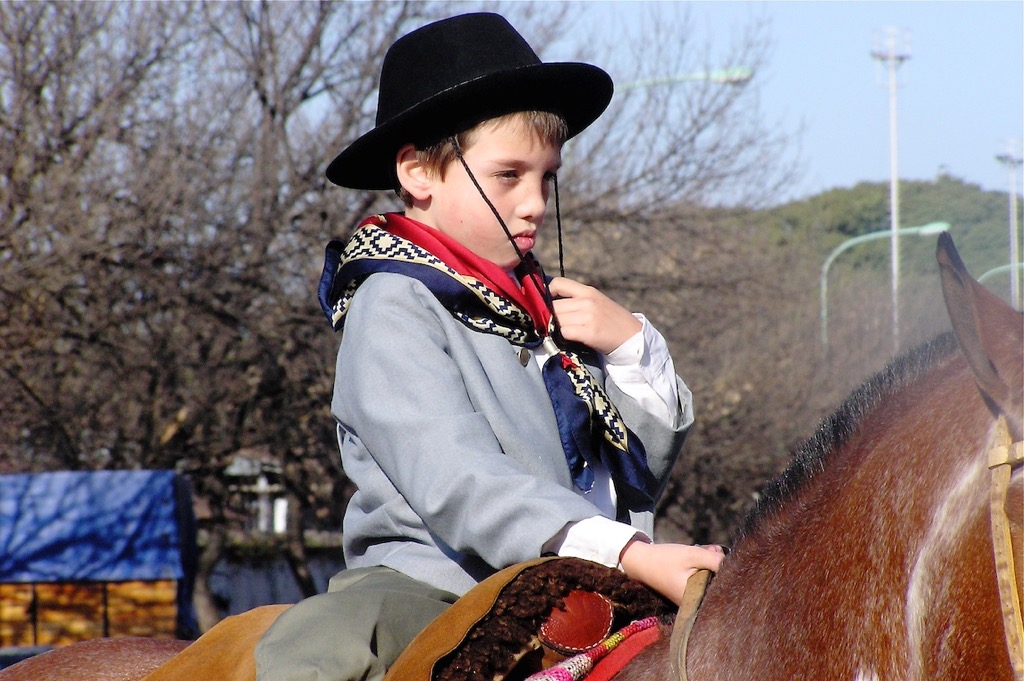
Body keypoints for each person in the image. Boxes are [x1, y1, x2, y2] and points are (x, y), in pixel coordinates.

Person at [254, 12, 724, 681]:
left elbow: (633, 475)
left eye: (546, 177)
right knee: (316, 647)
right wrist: (629, 553)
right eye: (508, 175)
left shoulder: (545, 306)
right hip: (432, 584)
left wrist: (629, 348)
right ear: (418, 173)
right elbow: (458, 480)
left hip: (581, 574)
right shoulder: (392, 302)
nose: (534, 202)